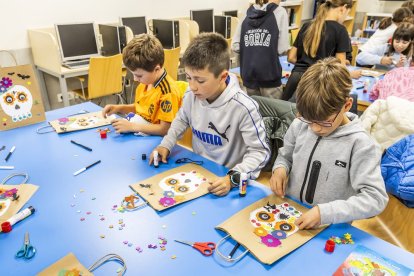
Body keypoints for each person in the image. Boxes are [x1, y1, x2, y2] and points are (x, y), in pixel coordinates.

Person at [270, 58, 388, 229]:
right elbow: (285, 156)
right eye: (309, 120)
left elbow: (375, 198)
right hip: (291, 216)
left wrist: (325, 213)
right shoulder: (300, 124)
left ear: (347, 105)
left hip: (329, 228)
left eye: (324, 122)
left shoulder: (361, 144)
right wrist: (279, 170)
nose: (315, 128)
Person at [149, 33, 270, 197]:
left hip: (225, 181)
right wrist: (166, 145)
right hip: (197, 172)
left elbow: (259, 152)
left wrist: (232, 178)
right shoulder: (191, 95)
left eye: (200, 80)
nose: (192, 86)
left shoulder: (243, 107)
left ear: (223, 77)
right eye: (188, 77)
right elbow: (180, 120)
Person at [102, 34, 181, 136]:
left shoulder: (168, 92)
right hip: (143, 134)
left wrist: (132, 126)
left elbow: (165, 130)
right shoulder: (146, 82)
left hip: (158, 141)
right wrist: (119, 108)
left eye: (139, 75)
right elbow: (142, 108)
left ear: (156, 69)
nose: (135, 79)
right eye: (133, 74)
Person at [282, 0, 352, 102]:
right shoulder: (340, 30)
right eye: (347, 13)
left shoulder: (306, 26)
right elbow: (340, 67)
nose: (346, 17)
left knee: (286, 114)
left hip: (295, 80)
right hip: (317, 84)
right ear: (343, 8)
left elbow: (291, 57)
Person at [232, 0, 289, 99]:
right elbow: (282, 49)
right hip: (269, 76)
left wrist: (251, 48)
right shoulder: (280, 12)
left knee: (253, 111)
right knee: (273, 112)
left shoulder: (246, 13)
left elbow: (235, 46)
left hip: (248, 74)